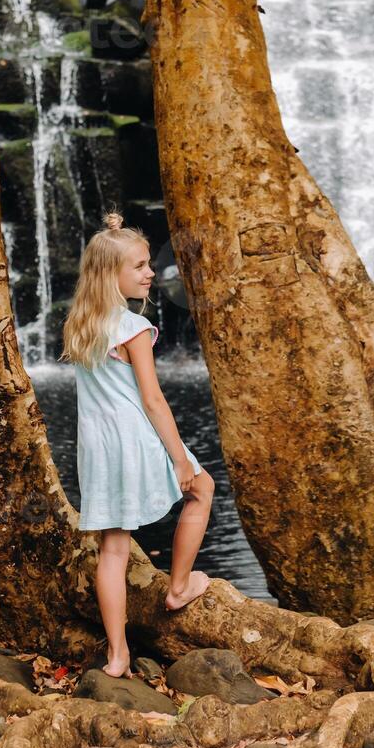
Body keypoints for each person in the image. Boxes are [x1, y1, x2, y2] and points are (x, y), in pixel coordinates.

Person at [59, 210, 215, 679]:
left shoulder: (81, 324)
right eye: (141, 265)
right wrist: (179, 459)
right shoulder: (132, 327)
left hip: (99, 447)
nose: (151, 272)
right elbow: (152, 400)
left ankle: (117, 654)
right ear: (112, 274)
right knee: (202, 489)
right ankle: (180, 587)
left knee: (113, 547)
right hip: (137, 438)